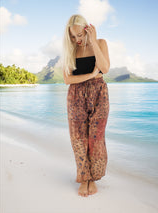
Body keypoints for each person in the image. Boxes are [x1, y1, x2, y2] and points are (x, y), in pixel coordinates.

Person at [62, 14, 110, 197]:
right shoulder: (70, 50)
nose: (77, 40)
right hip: (75, 96)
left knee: (95, 139)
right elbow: (68, 79)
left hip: (99, 94)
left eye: (79, 35)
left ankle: (93, 178)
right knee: (78, 139)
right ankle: (84, 179)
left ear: (86, 30)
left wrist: (93, 41)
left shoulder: (101, 43)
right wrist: (90, 75)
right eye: (73, 37)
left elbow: (104, 69)